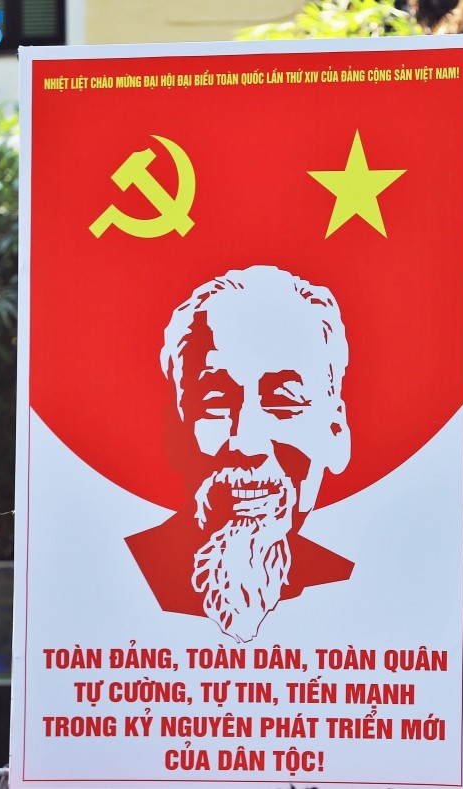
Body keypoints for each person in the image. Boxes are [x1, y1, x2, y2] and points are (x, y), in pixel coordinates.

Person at [126, 265, 353, 643]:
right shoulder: (121, 576)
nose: (247, 444)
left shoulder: (357, 587)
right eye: (216, 402)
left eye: (284, 401)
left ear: (335, 432)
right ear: (175, 428)